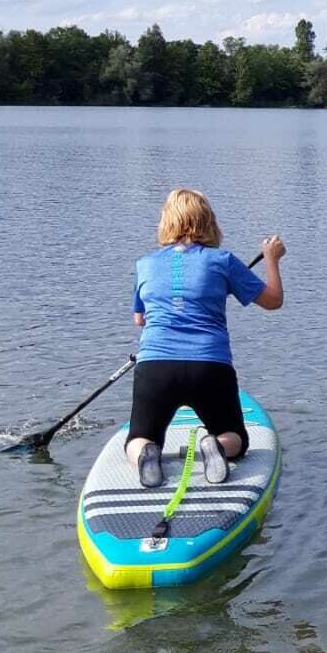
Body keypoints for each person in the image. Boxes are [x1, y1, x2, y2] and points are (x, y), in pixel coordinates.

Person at [125, 188, 285, 489]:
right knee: (237, 437)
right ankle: (217, 446)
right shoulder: (223, 261)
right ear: (209, 222)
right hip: (209, 367)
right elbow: (273, 300)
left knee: (137, 438)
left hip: (156, 367)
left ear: (165, 223)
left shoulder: (144, 264)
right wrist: (271, 259)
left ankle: (147, 452)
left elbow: (140, 319)